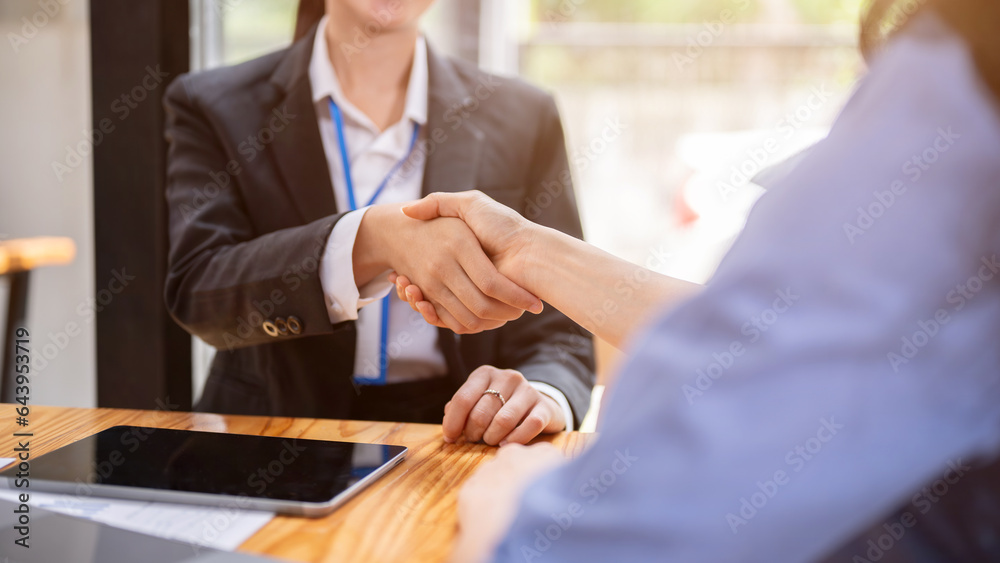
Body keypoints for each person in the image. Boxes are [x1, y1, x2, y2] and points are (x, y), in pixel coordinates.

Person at [392, 0, 1000, 560]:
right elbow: (788, 331)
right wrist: (527, 250)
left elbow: (618, 536)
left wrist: (519, 509)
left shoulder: (958, 88)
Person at [162, 0, 595, 444]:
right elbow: (199, 292)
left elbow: (561, 330)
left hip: (460, 433)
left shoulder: (525, 115)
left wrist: (542, 395)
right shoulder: (213, 104)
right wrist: (367, 240)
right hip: (271, 430)